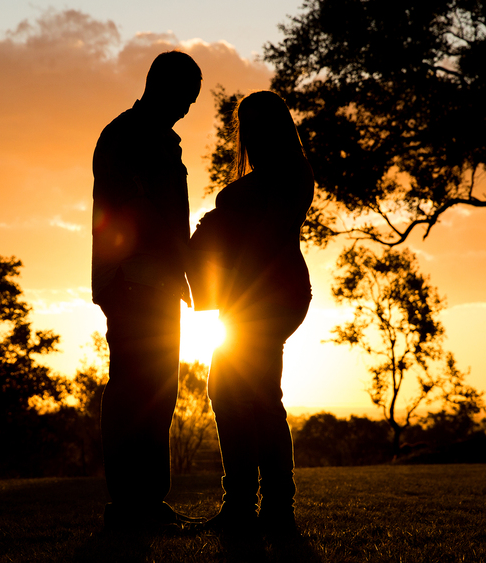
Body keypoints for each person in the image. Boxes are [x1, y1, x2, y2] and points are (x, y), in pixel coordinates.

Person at [190, 91, 314, 537]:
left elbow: (265, 238)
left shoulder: (291, 174)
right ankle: (248, 503)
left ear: (279, 125)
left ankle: (272, 506)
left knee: (255, 395)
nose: (253, 133)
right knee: (232, 392)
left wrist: (216, 229)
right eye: (247, 124)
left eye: (261, 123)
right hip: (248, 298)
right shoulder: (268, 176)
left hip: (272, 296)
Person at [91, 50, 203, 532]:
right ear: (159, 84)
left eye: (193, 98)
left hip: (157, 283)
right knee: (136, 392)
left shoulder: (160, 139)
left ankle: (147, 504)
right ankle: (129, 506)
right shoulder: (127, 135)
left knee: (158, 392)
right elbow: (140, 213)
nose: (188, 107)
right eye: (185, 95)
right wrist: (189, 263)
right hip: (134, 280)